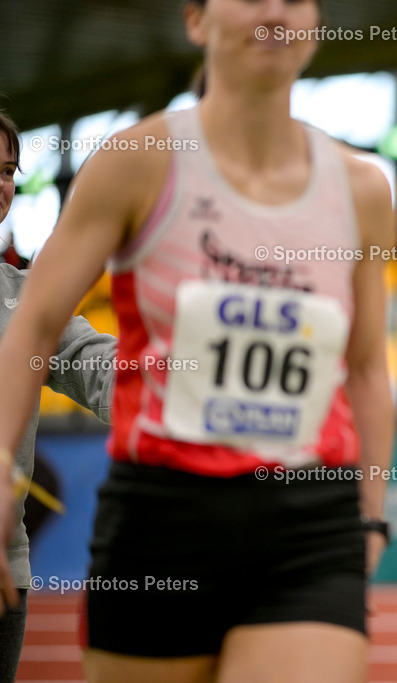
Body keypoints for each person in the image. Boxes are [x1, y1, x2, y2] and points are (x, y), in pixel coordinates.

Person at [0, 1, 396, 681]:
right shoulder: (137, 162)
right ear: (195, 20)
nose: (273, 10)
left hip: (309, 523)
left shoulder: (361, 189)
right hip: (162, 520)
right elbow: (32, 323)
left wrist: (371, 517)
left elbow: (364, 365)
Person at [0, 109, 117, 683]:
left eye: (7, 172)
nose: (1, 185)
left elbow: (103, 371)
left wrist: (194, 374)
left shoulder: (28, 299)